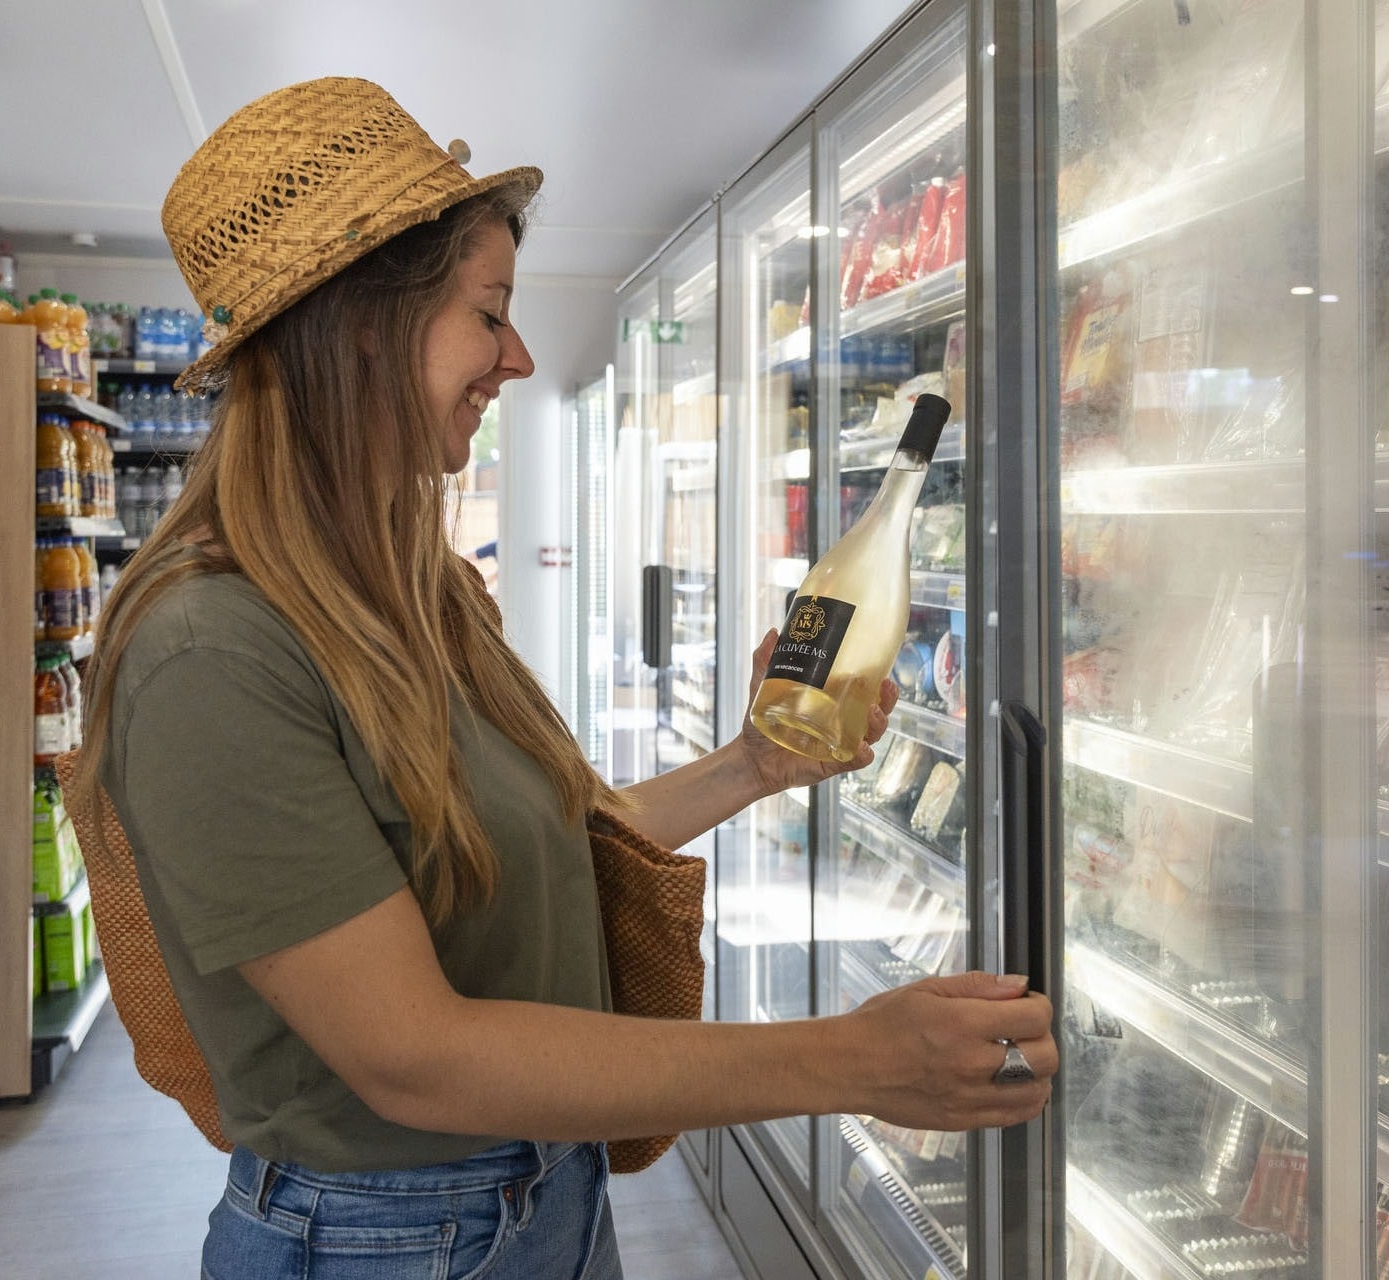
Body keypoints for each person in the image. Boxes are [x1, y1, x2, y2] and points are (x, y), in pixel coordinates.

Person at [71, 77, 1056, 1280]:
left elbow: (543, 847)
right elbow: (415, 1054)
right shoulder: (209, 651)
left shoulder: (406, 592)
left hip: (536, 1199)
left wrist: (756, 761)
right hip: (385, 1240)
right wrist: (849, 1059)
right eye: (489, 314)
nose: (519, 356)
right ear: (364, 326)